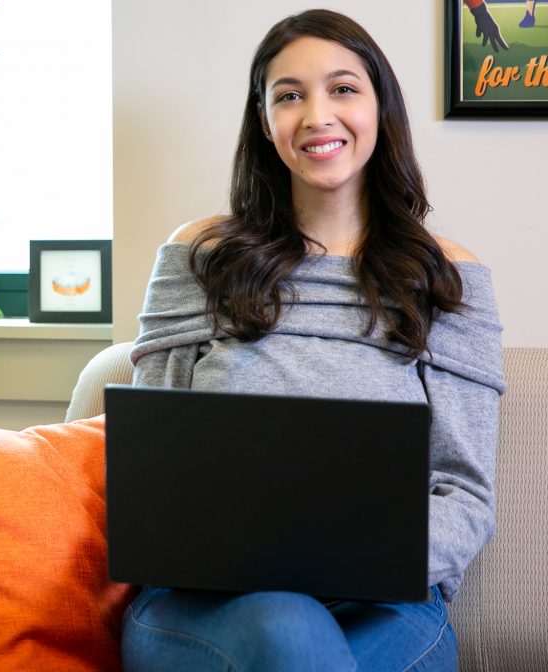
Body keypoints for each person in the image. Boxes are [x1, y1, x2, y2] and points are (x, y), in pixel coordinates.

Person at [122, 9, 505, 672]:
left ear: (380, 107)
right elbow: (152, 469)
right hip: (205, 608)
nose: (316, 116)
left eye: (343, 89)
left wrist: (360, 561)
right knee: (286, 626)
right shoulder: (198, 257)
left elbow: (464, 491)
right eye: (289, 95)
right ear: (265, 121)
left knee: (304, 641)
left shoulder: (450, 278)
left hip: (386, 608)